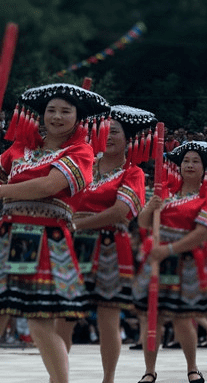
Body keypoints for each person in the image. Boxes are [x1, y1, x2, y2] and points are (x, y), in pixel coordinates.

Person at [0, 83, 110, 383]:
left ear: (78, 117)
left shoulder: (81, 151)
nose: (57, 117)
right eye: (51, 110)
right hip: (8, 235)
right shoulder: (20, 148)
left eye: (65, 111)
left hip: (47, 238)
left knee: (40, 322)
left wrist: (3, 191)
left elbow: (48, 186)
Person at [57, 105, 154, 383]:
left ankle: (108, 378)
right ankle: (58, 375)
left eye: (115, 132)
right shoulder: (83, 163)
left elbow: (120, 212)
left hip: (110, 245)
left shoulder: (133, 173)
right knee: (65, 313)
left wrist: (77, 223)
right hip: (74, 244)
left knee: (108, 314)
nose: (108, 136)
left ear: (129, 139)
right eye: (104, 131)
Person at [133, 140, 207, 383]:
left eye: (196, 161)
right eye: (186, 160)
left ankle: (192, 367)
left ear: (204, 168)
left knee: (183, 317)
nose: (190, 165)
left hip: (184, 261)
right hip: (157, 260)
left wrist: (169, 249)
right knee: (152, 315)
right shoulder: (163, 191)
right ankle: (149, 370)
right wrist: (149, 209)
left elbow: (202, 233)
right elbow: (143, 223)